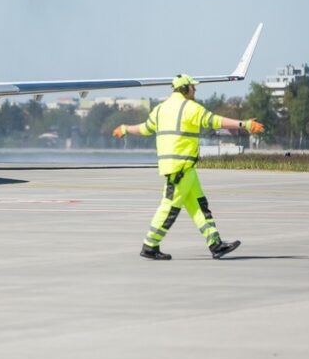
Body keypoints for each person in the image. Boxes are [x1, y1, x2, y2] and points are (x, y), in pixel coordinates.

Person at [112, 74, 264, 260]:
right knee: (169, 207)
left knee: (200, 207)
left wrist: (125, 128)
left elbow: (145, 128)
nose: (195, 90)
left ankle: (215, 244)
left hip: (183, 168)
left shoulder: (160, 109)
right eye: (193, 87)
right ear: (185, 89)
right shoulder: (190, 108)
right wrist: (245, 124)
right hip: (181, 167)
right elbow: (215, 121)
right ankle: (150, 245)